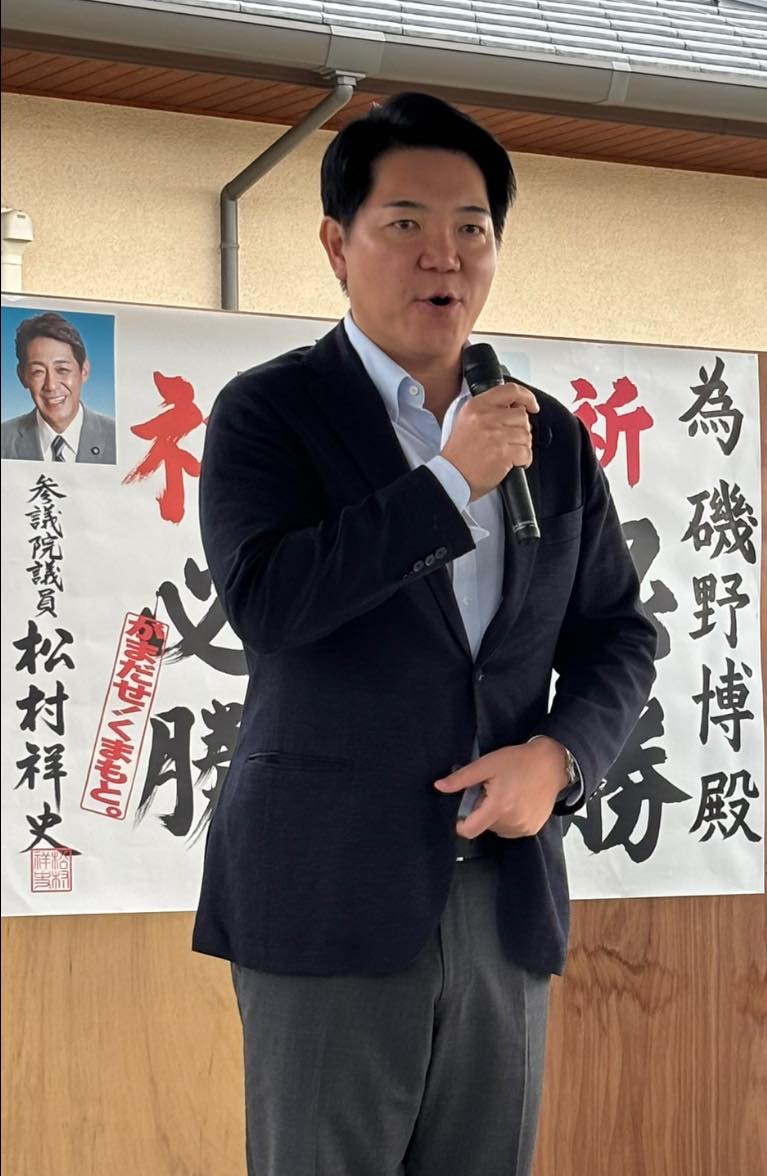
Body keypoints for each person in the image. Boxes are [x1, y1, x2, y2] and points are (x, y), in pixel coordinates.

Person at [192, 92, 656, 1176]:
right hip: (325, 895)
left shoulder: (549, 436)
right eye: (404, 222)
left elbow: (617, 635)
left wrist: (561, 758)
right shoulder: (269, 412)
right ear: (336, 245)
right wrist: (448, 483)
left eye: (471, 227)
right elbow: (270, 603)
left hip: (504, 899)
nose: (442, 254)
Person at [1, 311, 117, 463]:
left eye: (62, 370)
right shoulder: (4, 439)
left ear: (84, 371)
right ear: (22, 376)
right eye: (38, 372)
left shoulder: (118, 437)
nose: (51, 385)